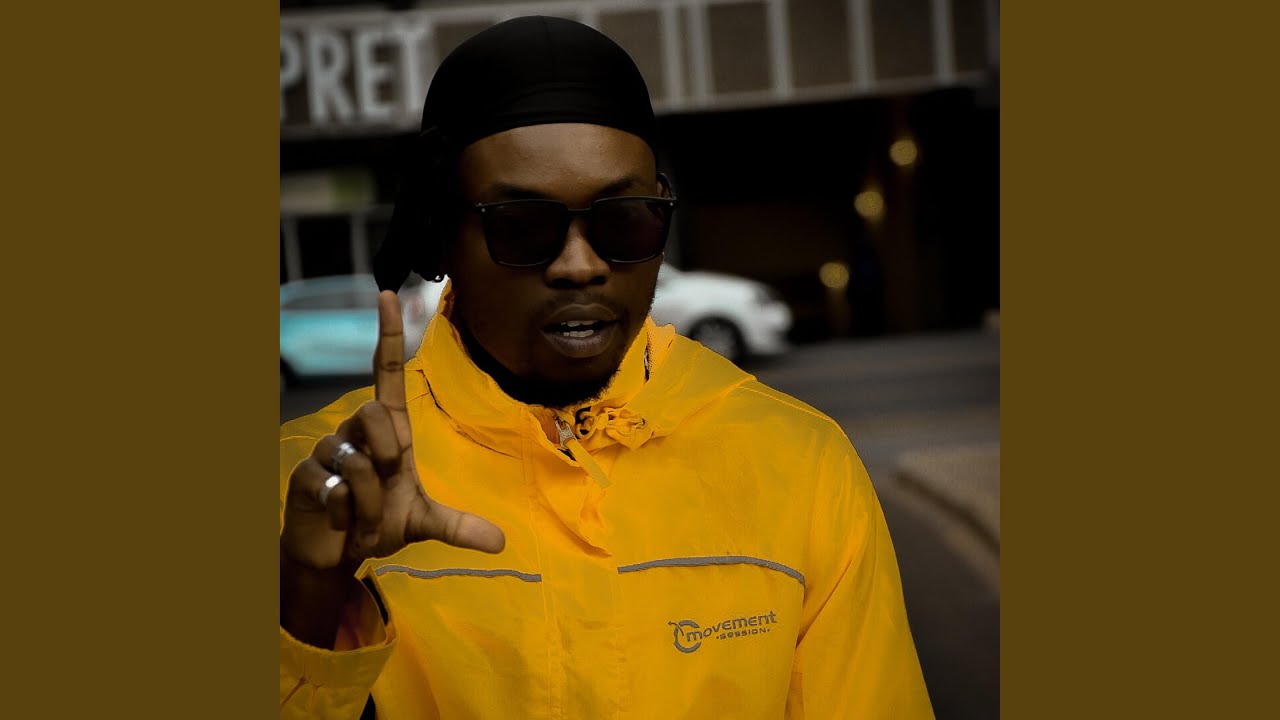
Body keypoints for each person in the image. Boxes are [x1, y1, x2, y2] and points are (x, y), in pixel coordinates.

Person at [280, 16, 933, 720]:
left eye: (625, 218)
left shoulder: (802, 465)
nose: (581, 265)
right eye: (523, 225)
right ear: (441, 237)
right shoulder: (312, 487)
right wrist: (308, 595)